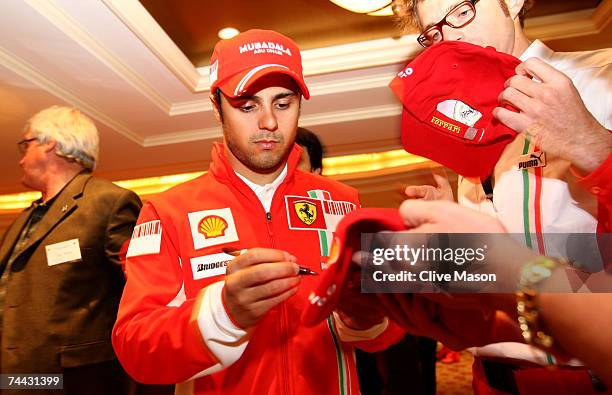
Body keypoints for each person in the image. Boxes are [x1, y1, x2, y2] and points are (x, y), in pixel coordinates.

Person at [112, 29, 401, 395]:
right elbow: (135, 349)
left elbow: (387, 334)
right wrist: (223, 311)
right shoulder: (167, 211)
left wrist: (370, 318)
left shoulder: (344, 202)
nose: (268, 122)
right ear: (216, 106)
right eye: (247, 106)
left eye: (283, 103)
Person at [0, 106, 142, 394]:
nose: (20, 159)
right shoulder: (24, 219)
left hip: (70, 382)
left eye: (25, 145)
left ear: (49, 143)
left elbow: (143, 294)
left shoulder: (110, 202)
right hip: (15, 377)